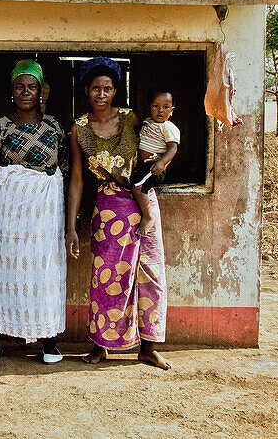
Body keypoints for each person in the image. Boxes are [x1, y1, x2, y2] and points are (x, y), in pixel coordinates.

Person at [65, 57, 170, 370]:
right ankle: (101, 344)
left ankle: (149, 347)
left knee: (151, 273)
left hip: (144, 201)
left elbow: (157, 141)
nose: (101, 94)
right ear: (86, 90)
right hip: (109, 206)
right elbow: (76, 179)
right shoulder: (79, 129)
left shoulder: (131, 119)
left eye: (107, 88)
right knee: (108, 276)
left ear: (115, 90)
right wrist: (71, 227)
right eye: (95, 88)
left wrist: (160, 165)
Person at [0, 59, 68, 367]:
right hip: (8, 213)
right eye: (20, 87)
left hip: (45, 214)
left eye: (32, 87)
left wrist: (71, 219)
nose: (26, 92)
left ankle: (48, 340)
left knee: (44, 273)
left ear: (41, 90)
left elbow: (64, 171)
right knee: (5, 271)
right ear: (11, 91)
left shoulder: (54, 127)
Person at [131, 89, 180, 236]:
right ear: (149, 107)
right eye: (155, 106)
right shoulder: (147, 122)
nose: (160, 110)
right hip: (143, 165)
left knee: (137, 187)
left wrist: (161, 162)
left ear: (172, 110)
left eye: (165, 107)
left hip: (153, 167)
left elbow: (173, 148)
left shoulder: (168, 127)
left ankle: (148, 216)